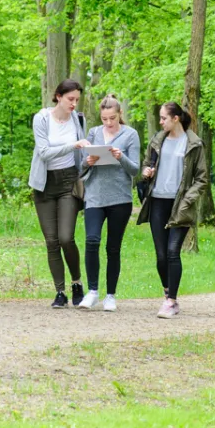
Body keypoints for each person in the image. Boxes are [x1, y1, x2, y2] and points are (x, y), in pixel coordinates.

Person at [137, 101, 209, 318]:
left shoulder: (194, 144)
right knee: (160, 256)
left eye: (163, 118)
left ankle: (171, 301)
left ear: (175, 118)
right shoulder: (157, 141)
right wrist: (146, 172)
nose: (160, 122)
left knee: (172, 252)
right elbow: (146, 164)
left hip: (181, 205)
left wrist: (188, 200)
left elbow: (202, 178)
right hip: (158, 201)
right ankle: (168, 292)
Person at [29, 79, 90, 308]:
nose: (74, 103)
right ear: (58, 97)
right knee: (52, 241)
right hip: (45, 183)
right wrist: (73, 145)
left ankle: (76, 283)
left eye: (77, 99)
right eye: (70, 99)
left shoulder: (77, 118)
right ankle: (60, 292)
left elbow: (83, 153)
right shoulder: (42, 118)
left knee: (66, 238)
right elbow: (44, 152)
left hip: (68, 182)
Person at [78, 95, 141, 312]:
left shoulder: (130, 134)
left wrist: (120, 157)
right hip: (94, 196)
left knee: (113, 248)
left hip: (120, 198)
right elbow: (81, 169)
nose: (108, 123)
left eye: (112, 118)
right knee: (92, 240)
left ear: (119, 114)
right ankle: (93, 291)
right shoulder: (94, 133)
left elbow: (135, 169)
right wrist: (88, 161)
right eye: (104, 118)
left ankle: (110, 295)